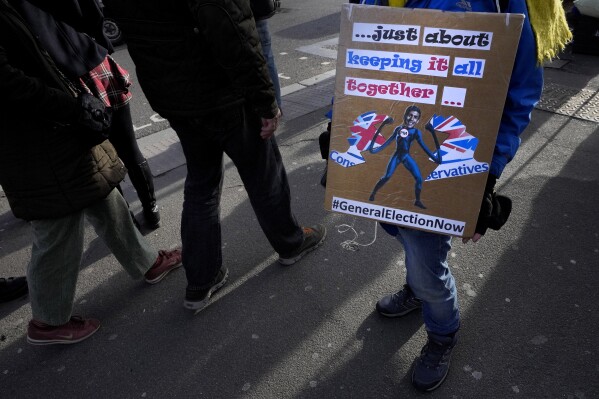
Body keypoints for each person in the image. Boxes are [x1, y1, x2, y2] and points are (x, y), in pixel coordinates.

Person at [352, 0, 570, 392]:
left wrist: (486, 174)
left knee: (425, 259)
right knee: (398, 231)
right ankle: (419, 289)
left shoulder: (504, 3)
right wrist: (341, 128)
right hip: (387, 166)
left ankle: (442, 332)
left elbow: (519, 94)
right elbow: (358, 64)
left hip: (453, 167)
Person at [103, 0, 326, 312]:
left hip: (173, 92)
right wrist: (265, 100)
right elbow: (233, 30)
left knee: (202, 182)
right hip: (222, 90)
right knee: (263, 173)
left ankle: (201, 280)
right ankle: (290, 242)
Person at [0, 0, 182, 345]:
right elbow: (9, 83)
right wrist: (69, 105)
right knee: (57, 223)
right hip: (34, 137)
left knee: (103, 193)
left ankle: (145, 261)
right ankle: (48, 321)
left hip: (50, 129)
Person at [13, 0, 161, 229]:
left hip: (65, 78)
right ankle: (152, 210)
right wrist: (100, 43)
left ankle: (126, 224)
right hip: (92, 57)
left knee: (102, 156)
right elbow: (90, 11)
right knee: (129, 148)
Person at [367, 105, 442, 208]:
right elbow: (385, 144)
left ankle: (417, 201)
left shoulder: (416, 132)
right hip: (397, 156)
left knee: (419, 179)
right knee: (387, 176)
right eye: (410, 115)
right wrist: (383, 125)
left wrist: (433, 133)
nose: (411, 119)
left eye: (415, 117)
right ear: (405, 115)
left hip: (406, 156)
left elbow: (425, 149)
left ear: (418, 120)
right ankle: (373, 193)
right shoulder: (398, 129)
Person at [251, 0, 282, 109]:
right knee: (267, 59)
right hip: (259, 13)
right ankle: (277, 105)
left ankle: (273, 106)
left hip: (247, 13)